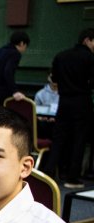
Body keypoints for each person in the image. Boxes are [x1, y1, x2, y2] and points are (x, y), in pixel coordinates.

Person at [45, 28, 94, 189]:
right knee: (79, 140)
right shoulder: (90, 58)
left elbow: (54, 78)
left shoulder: (61, 56)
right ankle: (72, 177)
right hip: (82, 101)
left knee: (58, 138)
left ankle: (48, 174)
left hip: (64, 101)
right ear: (87, 40)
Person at [33, 73, 59, 140]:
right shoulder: (40, 94)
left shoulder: (65, 95)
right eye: (52, 77)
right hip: (44, 124)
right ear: (48, 78)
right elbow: (35, 112)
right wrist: (41, 118)